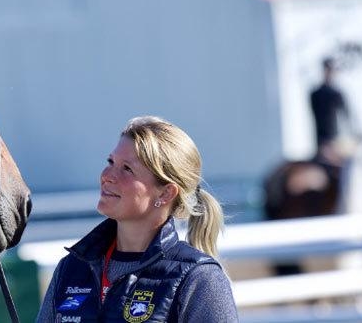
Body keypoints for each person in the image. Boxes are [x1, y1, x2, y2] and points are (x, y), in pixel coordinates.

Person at [36, 116, 238, 322]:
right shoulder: (71, 268)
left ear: (166, 193)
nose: (107, 175)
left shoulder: (199, 279)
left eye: (127, 169)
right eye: (110, 161)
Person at [310, 57, 351, 165]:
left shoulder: (333, 94)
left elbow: (346, 118)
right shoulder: (319, 94)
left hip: (334, 140)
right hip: (326, 141)